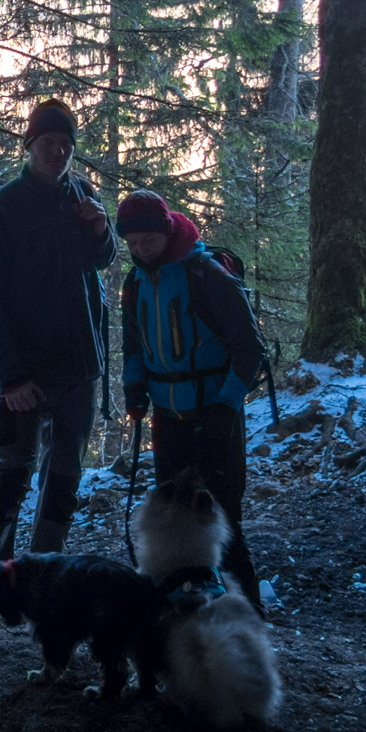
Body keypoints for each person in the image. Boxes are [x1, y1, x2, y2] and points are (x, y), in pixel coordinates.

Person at [0, 98, 115, 644]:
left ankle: (43, 586)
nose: (58, 149)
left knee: (63, 479)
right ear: (29, 144)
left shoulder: (82, 198)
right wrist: (11, 378)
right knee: (12, 477)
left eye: (66, 141)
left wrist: (100, 233)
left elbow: (102, 261)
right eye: (48, 140)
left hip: (78, 371)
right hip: (24, 378)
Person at [117, 190, 265, 610]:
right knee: (175, 520)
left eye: (149, 241)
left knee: (222, 522)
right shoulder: (136, 282)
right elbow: (133, 347)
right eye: (133, 244)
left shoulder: (207, 275)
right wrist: (134, 390)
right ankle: (185, 618)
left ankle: (248, 619)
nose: (142, 251)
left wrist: (225, 406)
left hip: (214, 416)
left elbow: (249, 350)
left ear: (166, 232)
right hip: (167, 420)